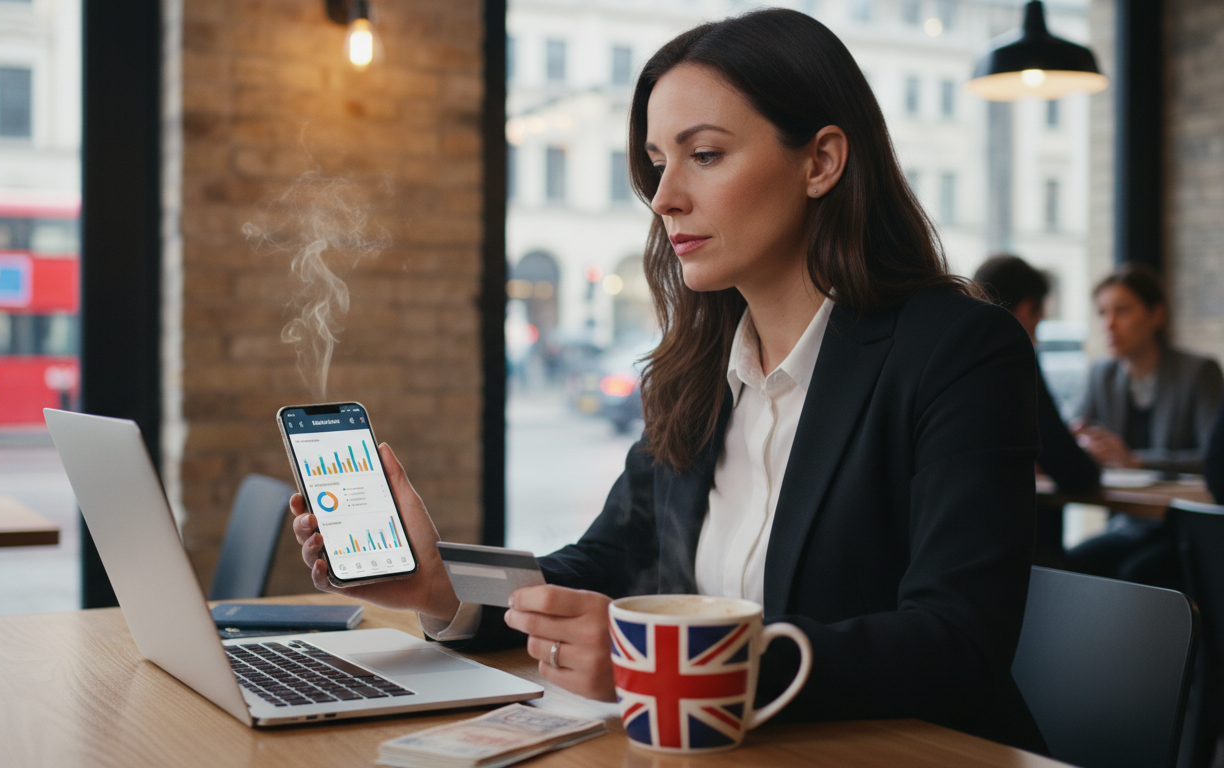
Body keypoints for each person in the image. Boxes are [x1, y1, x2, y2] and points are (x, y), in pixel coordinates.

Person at [291, 9, 1045, 752]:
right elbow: (603, 563)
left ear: (821, 162)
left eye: (705, 155)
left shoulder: (959, 352)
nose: (663, 197)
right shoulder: (697, 372)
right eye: (657, 162)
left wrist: (671, 665)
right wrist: (443, 586)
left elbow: (955, 640)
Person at [1066, 264, 1223, 584]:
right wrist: (1084, 445)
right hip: (1129, 521)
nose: (1108, 324)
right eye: (1101, 312)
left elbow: (1214, 458)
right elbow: (1074, 431)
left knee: (1134, 574)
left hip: (1182, 528)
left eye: (1122, 310)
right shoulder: (1102, 374)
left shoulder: (1199, 372)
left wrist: (1136, 461)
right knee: (1068, 566)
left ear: (1156, 315)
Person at [974, 255, 1100, 569]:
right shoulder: (1012, 358)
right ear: (1029, 308)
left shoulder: (950, 353)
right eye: (1040, 320)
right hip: (1007, 559)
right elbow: (1075, 473)